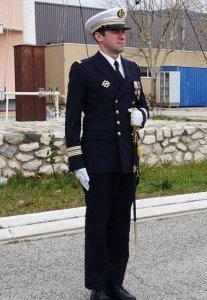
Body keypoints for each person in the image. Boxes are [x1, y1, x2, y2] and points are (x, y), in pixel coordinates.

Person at [65, 7, 148, 300]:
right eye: (115, 31)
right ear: (99, 36)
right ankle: (98, 287)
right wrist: (76, 162)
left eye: (123, 31)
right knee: (98, 226)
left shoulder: (133, 69)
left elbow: (144, 107)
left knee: (119, 225)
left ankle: (115, 282)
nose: (121, 36)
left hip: (126, 161)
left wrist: (142, 115)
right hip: (97, 162)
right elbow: (72, 119)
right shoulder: (84, 70)